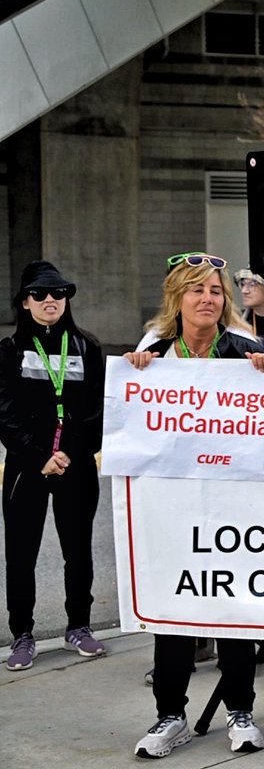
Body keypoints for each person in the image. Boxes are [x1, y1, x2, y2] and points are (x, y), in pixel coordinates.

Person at [123, 252, 264, 758]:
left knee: (232, 605)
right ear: (177, 297)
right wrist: (132, 377)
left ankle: (241, 711)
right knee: (173, 608)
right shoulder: (152, 354)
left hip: (233, 504)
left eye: (215, 290)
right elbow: (132, 424)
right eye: (197, 289)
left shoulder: (246, 350)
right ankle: (171, 715)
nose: (208, 298)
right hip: (173, 506)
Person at [1, 261, 106, 671]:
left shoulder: (87, 347)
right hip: (27, 466)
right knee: (21, 554)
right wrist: (39, 455)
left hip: (75, 466)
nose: (50, 300)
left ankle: (78, 626)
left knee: (78, 551)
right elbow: (5, 412)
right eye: (40, 294)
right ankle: (22, 635)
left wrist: (71, 453)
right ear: (25, 302)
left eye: (58, 293)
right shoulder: (9, 350)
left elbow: (99, 409)